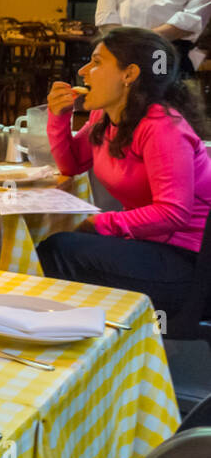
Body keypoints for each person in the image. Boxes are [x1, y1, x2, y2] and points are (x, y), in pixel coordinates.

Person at [37, 28, 211, 322]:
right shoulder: (106, 117)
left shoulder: (161, 127)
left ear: (129, 74)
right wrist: (59, 116)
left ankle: (80, 341)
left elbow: (174, 213)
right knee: (57, 247)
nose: (83, 72)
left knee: (58, 250)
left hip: (189, 263)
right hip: (149, 245)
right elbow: (71, 164)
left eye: (96, 62)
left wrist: (101, 223)